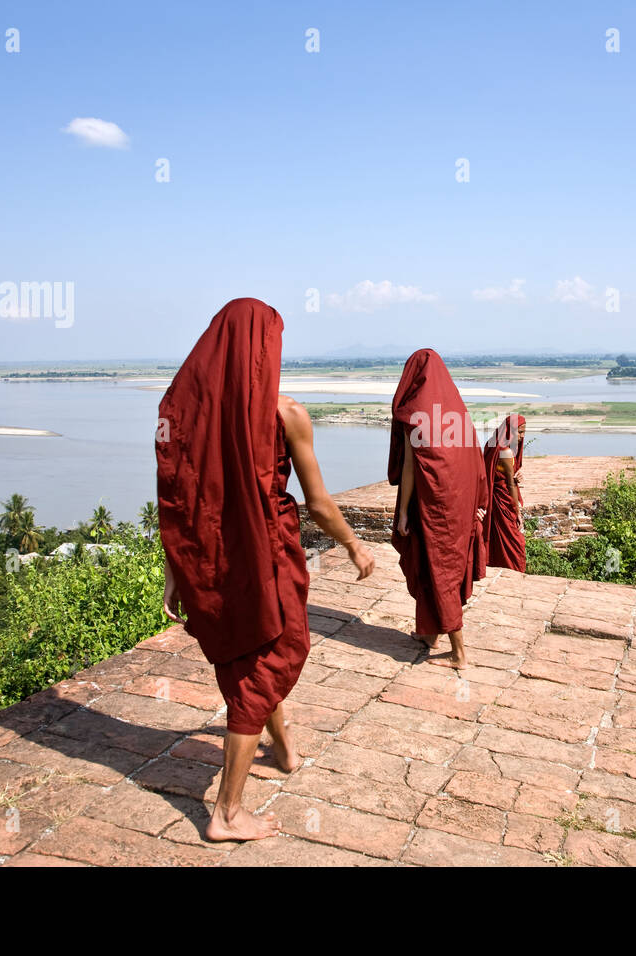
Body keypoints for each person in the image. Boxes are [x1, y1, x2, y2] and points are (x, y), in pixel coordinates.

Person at [156, 298, 374, 842]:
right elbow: (319, 503)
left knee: (256, 651)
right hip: (268, 553)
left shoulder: (186, 417)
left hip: (214, 556)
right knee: (274, 655)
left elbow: (181, 500)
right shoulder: (287, 413)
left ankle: (282, 748)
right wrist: (353, 546)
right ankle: (227, 813)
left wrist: (176, 572)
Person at [388, 348, 487, 669]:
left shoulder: (416, 412)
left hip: (434, 509)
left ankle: (458, 652)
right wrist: (478, 503)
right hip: (458, 504)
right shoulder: (455, 411)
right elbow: (473, 461)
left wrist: (402, 511)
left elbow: (411, 467)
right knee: (442, 569)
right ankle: (429, 633)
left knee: (439, 569)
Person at [483, 413, 527, 572]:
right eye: (519, 432)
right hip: (504, 501)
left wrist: (516, 475)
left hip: (495, 499)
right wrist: (517, 512)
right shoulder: (506, 452)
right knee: (515, 543)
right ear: (509, 430)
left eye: (524, 432)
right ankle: (515, 570)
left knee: (500, 538)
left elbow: (501, 472)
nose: (522, 436)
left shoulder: (493, 445)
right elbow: (510, 484)